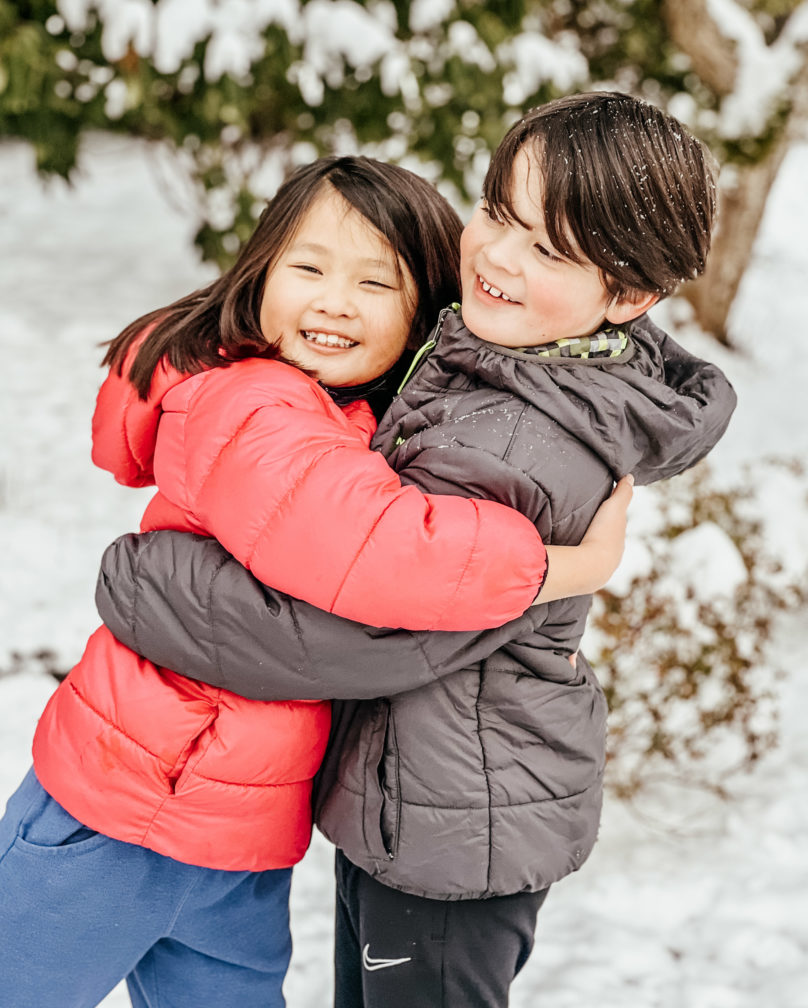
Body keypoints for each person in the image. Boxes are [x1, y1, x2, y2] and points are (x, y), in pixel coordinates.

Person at [96, 92, 737, 1008]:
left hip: (454, 828)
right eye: (497, 215)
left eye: (548, 249)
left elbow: (356, 631)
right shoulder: (515, 358)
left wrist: (146, 580)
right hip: (421, 796)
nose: (497, 259)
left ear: (629, 295)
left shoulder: (520, 441)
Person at [0, 155, 629, 1008]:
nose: (335, 299)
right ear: (259, 274)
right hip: (124, 808)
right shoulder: (254, 407)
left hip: (232, 839)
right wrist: (571, 566)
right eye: (308, 268)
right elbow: (381, 551)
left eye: (377, 282)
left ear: (418, 316)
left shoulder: (334, 416)